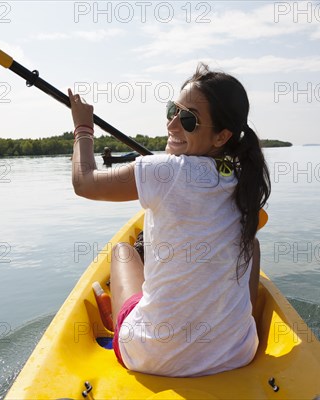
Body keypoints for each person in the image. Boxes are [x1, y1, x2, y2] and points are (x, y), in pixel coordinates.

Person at [68, 63, 271, 377]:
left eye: (188, 120)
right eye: (172, 111)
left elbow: (85, 183)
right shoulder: (241, 179)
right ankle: (236, 325)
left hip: (152, 356)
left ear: (221, 136)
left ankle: (124, 317)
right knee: (251, 244)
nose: (172, 125)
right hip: (235, 353)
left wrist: (83, 129)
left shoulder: (161, 170)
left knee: (123, 252)